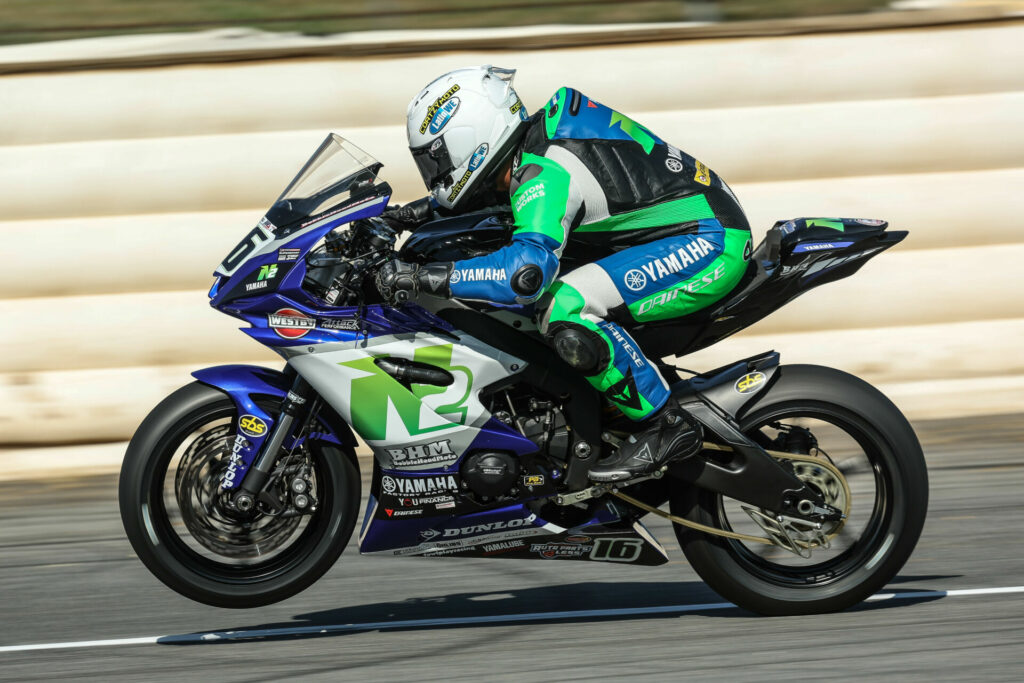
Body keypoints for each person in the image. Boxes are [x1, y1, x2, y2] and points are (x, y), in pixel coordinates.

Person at [376, 66, 752, 482]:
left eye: (438, 158)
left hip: (708, 242)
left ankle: (665, 424)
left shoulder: (546, 171)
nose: (436, 173)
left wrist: (420, 277)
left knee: (564, 306)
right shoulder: (529, 150)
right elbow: (486, 202)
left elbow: (524, 274)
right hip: (674, 231)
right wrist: (400, 216)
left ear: (471, 138)